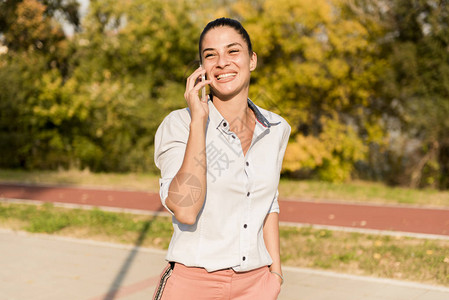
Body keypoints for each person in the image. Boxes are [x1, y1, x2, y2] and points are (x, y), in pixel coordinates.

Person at [153, 17, 291, 300]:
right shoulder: (179, 124)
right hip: (193, 284)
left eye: (233, 51)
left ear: (251, 60)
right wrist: (199, 122)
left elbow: (269, 203)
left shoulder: (276, 128)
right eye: (210, 55)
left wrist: (274, 275)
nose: (222, 62)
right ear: (202, 68)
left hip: (256, 286)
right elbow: (185, 210)